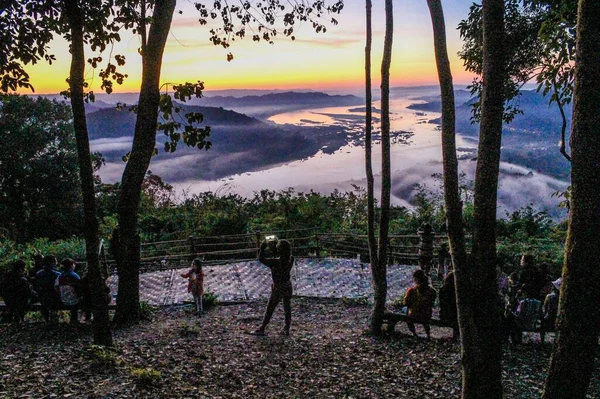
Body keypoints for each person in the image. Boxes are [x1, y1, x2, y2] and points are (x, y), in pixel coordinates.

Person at [250, 238, 294, 336]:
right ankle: (286, 328)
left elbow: (261, 258)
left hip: (278, 287)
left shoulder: (275, 262)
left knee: (270, 308)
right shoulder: (291, 260)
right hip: (287, 285)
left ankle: (262, 328)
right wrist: (275, 249)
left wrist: (263, 247)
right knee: (287, 307)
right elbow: (283, 257)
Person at [403, 269, 437, 339]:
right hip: (426, 314)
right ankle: (428, 335)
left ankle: (414, 334)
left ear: (416, 280)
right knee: (425, 317)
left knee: (404, 310)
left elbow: (406, 303)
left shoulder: (412, 291)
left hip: (414, 314)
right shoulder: (432, 291)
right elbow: (431, 304)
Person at [55, 258, 81, 323]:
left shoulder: (60, 276)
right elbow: (80, 287)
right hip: (74, 300)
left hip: (63, 299)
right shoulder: (75, 275)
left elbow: (56, 287)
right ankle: (76, 319)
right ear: (72, 265)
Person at [35, 255, 61, 322]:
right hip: (54, 297)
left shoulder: (39, 273)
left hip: (42, 297)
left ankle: (47, 319)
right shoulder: (57, 274)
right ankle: (54, 317)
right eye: (55, 261)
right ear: (52, 263)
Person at [438, 271, 458, 340]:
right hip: (453, 314)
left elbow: (442, 304)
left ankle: (455, 335)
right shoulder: (458, 291)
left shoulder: (443, 290)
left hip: (446, 314)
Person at [540, 278, 561, 343]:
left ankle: (542, 341)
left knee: (542, 325)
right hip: (557, 318)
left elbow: (545, 307)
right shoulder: (561, 297)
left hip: (549, 318)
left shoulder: (549, 296)